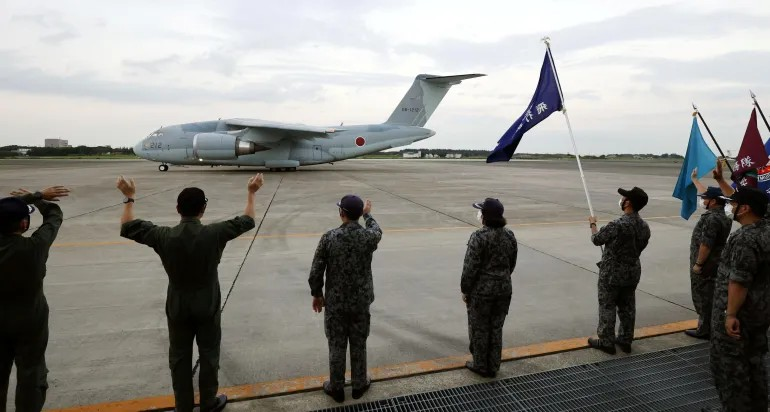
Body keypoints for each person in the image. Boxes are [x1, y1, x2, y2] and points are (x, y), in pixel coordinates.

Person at [117, 175, 263, 412]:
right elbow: (247, 220)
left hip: (177, 304)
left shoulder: (163, 236)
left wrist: (128, 198)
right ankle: (208, 402)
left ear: (177, 209)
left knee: (179, 358)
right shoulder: (215, 233)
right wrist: (251, 192)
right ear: (203, 210)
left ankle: (182, 406)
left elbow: (127, 226)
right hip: (207, 303)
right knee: (209, 354)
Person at [0, 186, 69, 412]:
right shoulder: (34, 246)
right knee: (31, 373)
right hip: (29, 320)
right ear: (24, 224)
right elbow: (54, 216)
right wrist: (39, 198)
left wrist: (32, 196)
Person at [308, 195, 381, 403]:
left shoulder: (329, 237)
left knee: (336, 345)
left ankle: (336, 388)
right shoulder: (369, 237)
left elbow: (316, 271)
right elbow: (378, 230)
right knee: (359, 343)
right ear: (358, 215)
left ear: (341, 213)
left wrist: (317, 294)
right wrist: (368, 214)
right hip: (360, 302)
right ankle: (359, 385)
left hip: (336, 304)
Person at [709, 186, 770, 411]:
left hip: (739, 317)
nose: (730, 207)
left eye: (733, 204)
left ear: (744, 209)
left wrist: (731, 314)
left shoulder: (744, 238)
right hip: (759, 314)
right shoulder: (766, 231)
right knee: (755, 366)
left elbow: (739, 280)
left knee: (730, 370)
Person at [587, 187, 651, 355]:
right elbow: (640, 247)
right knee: (627, 307)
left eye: (624, 197)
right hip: (632, 272)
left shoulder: (618, 224)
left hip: (612, 273)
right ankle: (625, 340)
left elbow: (597, 239)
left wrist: (593, 224)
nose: (622, 199)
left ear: (628, 202)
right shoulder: (644, 226)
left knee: (607, 306)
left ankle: (606, 341)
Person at [461, 198, 518, 378]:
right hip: (503, 290)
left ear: (485, 216)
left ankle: (480, 365)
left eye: (481, 211)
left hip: (482, 293)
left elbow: (470, 268)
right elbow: (512, 264)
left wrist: (465, 290)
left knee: (480, 328)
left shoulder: (478, 237)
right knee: (495, 328)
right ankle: (493, 365)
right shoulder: (509, 235)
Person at [685, 169, 732, 339]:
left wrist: (698, 264)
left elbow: (706, 244)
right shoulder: (723, 215)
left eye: (705, 199)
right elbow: (705, 192)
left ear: (713, 202)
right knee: (710, 295)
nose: (702, 201)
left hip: (706, 265)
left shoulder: (711, 219)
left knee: (703, 297)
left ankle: (704, 330)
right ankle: (709, 326)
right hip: (716, 263)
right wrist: (695, 179)